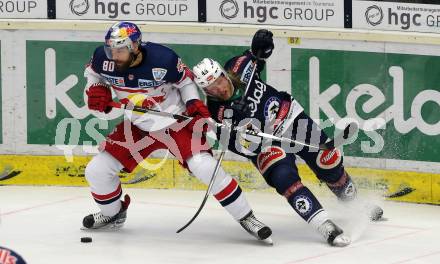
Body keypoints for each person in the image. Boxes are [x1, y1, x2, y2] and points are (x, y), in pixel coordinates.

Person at [81, 21, 273, 244]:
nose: (114, 55)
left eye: (120, 49)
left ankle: (247, 217)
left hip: (175, 122)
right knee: (97, 170)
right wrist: (96, 89)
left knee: (205, 167)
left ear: (135, 47)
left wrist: (192, 103)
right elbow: (93, 74)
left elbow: (185, 82)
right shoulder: (102, 59)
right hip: (138, 125)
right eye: (111, 49)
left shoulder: (164, 59)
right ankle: (113, 214)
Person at [192, 29, 384, 247]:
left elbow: (256, 58)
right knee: (285, 178)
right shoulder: (217, 114)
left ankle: (356, 204)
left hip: (291, 118)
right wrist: (241, 127)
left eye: (218, 81)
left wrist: (262, 47)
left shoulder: (239, 66)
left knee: (328, 162)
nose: (219, 89)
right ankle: (324, 225)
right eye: (211, 88)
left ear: (223, 74)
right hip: (265, 145)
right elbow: (242, 148)